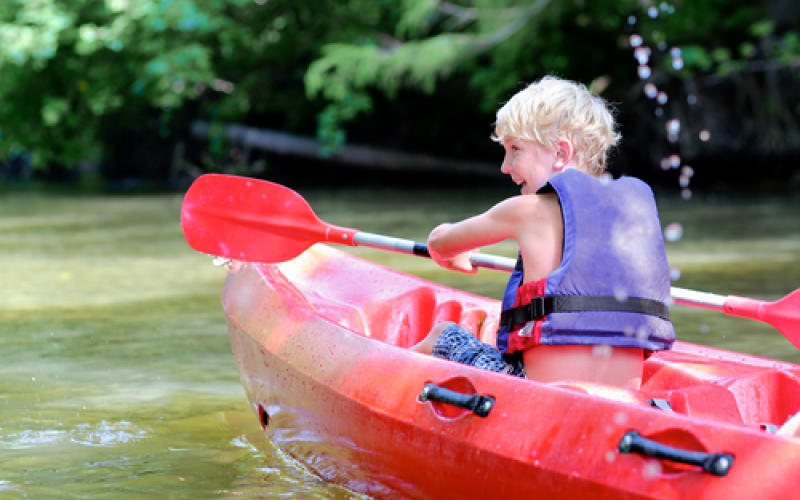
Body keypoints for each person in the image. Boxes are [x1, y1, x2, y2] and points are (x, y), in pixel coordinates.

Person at [410, 76, 675, 389]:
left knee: (445, 334)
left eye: (515, 149)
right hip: (621, 398)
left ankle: (387, 384)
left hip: (537, 394)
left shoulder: (527, 210)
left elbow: (440, 243)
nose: (505, 166)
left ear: (561, 154)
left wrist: (453, 252)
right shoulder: (631, 211)